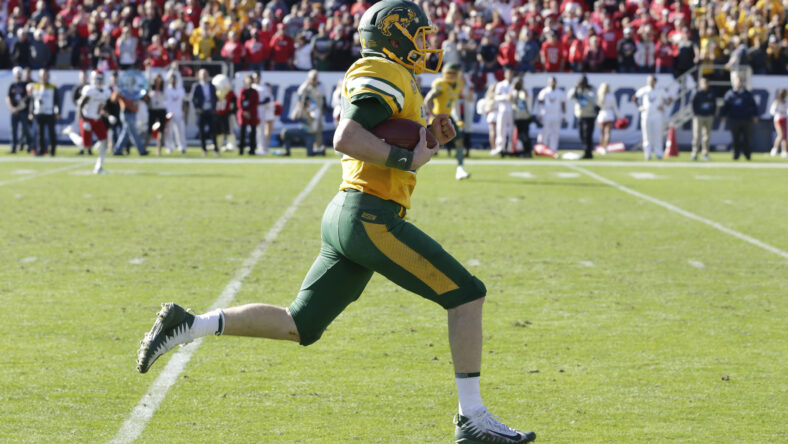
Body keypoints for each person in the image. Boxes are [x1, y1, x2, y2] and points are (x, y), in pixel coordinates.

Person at [136, 1, 536, 443]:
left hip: (351, 212)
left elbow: (396, 154)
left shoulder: (399, 79)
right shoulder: (384, 71)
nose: (426, 44)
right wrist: (408, 153)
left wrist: (428, 142)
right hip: (370, 216)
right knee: (467, 295)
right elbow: (346, 136)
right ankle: (472, 418)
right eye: (419, 35)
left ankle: (189, 323)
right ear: (394, 36)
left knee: (300, 324)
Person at [424, 63, 470, 179]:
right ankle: (412, 169)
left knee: (459, 142)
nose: (450, 76)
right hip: (438, 117)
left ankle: (460, 169)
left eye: (453, 73)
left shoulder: (458, 84)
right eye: (448, 73)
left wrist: (457, 118)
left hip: (448, 116)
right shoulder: (441, 84)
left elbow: (453, 103)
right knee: (428, 146)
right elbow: (428, 99)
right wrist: (434, 115)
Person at [78, 71, 112, 174]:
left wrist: (108, 115)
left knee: (104, 141)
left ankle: (99, 167)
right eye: (97, 79)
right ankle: (70, 133)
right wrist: (84, 120)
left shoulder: (106, 91)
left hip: (97, 119)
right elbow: (80, 106)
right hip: (87, 118)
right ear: (93, 79)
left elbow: (102, 108)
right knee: (85, 146)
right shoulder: (90, 90)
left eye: (101, 79)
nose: (99, 81)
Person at [719, 75, 758, 161]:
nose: (739, 83)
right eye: (737, 81)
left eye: (740, 81)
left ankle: (747, 155)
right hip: (734, 119)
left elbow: (753, 106)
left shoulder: (747, 94)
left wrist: (755, 115)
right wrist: (723, 115)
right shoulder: (730, 94)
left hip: (746, 119)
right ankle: (736, 154)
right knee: (735, 138)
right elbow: (726, 106)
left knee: (747, 138)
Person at [633, 75, 672, 160]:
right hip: (646, 115)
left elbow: (670, 99)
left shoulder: (660, 90)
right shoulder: (644, 90)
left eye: (651, 81)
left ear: (655, 82)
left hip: (657, 115)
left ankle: (659, 153)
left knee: (658, 135)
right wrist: (640, 107)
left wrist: (664, 107)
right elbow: (634, 98)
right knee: (646, 136)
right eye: (649, 80)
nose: (650, 82)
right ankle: (648, 154)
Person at [111, 78, 148, 157]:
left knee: (125, 133)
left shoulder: (135, 91)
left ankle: (117, 150)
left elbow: (143, 98)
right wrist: (118, 92)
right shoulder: (123, 90)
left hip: (133, 113)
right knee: (133, 133)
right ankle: (142, 150)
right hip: (126, 113)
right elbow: (113, 99)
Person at [30, 68, 60, 156]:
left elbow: (57, 101)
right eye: (42, 75)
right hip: (39, 112)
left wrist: (57, 112)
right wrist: (31, 112)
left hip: (49, 112)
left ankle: (53, 150)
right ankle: (41, 150)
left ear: (48, 76)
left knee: (51, 133)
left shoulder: (52, 87)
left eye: (45, 75)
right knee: (40, 134)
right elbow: (32, 101)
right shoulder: (35, 86)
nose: (43, 77)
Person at [296, 70, 327, 152]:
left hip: (318, 110)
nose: (314, 80)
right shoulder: (305, 86)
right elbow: (300, 98)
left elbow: (323, 97)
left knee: (319, 129)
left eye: (316, 78)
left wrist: (324, 108)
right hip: (308, 111)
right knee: (309, 129)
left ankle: (318, 147)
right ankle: (308, 147)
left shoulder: (321, 85)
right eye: (313, 78)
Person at [568, 76, 597, 159]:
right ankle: (586, 150)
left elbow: (592, 98)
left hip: (590, 115)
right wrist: (576, 88)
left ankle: (588, 153)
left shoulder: (591, 89)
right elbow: (570, 96)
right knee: (581, 134)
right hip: (580, 115)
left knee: (587, 135)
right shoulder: (577, 89)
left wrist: (584, 92)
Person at [191, 69, 219, 156]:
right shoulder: (197, 86)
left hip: (210, 111)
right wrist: (197, 108)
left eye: (205, 74)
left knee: (213, 131)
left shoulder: (212, 86)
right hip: (201, 112)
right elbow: (193, 99)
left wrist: (214, 107)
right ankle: (204, 149)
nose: (204, 76)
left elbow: (215, 97)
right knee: (202, 132)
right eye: (202, 74)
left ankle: (216, 149)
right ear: (199, 76)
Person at [536, 76, 566, 155]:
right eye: (550, 81)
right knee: (545, 132)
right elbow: (540, 104)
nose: (552, 83)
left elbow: (563, 105)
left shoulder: (560, 92)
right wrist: (540, 114)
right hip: (547, 115)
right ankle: (544, 149)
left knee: (555, 133)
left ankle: (553, 150)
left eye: (553, 81)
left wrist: (563, 116)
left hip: (556, 115)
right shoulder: (544, 92)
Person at [6, 66, 32, 154]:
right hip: (14, 111)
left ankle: (29, 147)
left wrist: (20, 106)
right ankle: (13, 147)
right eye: (16, 74)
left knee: (25, 130)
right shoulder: (12, 85)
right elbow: (8, 97)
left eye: (19, 74)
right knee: (13, 130)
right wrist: (12, 108)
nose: (18, 75)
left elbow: (28, 97)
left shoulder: (25, 85)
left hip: (23, 111)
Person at [491, 68, 516, 157]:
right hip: (502, 109)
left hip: (513, 110)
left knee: (513, 130)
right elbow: (496, 97)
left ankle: (511, 148)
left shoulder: (515, 85)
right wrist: (505, 97)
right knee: (501, 129)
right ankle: (500, 148)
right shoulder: (500, 85)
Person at [690, 77, 716, 161]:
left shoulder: (711, 92)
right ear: (700, 84)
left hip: (708, 116)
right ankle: (694, 153)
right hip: (699, 116)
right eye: (704, 83)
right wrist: (695, 114)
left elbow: (714, 104)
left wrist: (712, 113)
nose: (705, 85)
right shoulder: (697, 93)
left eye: (706, 83)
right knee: (697, 136)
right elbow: (692, 104)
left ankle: (705, 153)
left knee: (707, 136)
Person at [252, 72, 275, 155]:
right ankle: (255, 146)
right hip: (253, 110)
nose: (256, 79)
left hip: (261, 110)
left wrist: (259, 103)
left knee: (261, 129)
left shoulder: (263, 87)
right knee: (254, 130)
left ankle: (262, 146)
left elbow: (268, 99)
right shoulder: (252, 87)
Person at [144, 75, 167, 156]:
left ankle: (158, 150)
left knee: (161, 131)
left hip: (161, 110)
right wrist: (148, 68)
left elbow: (167, 79)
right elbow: (147, 78)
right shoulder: (151, 90)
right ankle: (144, 148)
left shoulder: (163, 89)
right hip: (153, 111)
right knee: (150, 130)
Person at [164, 73, 187, 154]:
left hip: (179, 112)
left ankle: (182, 146)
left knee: (180, 131)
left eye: (174, 79)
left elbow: (184, 102)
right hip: (169, 113)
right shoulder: (167, 90)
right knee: (169, 131)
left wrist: (184, 112)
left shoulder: (181, 90)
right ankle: (169, 147)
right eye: (172, 79)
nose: (173, 81)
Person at [236, 74, 259, 155]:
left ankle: (252, 150)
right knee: (242, 132)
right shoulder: (242, 91)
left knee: (253, 132)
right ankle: (241, 149)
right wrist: (244, 111)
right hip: (243, 114)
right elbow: (239, 103)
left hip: (252, 114)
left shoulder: (254, 92)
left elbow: (255, 103)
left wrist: (249, 112)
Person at [511, 75, 533, 157]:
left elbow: (526, 96)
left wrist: (522, 87)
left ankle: (528, 152)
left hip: (525, 116)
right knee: (520, 136)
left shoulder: (526, 91)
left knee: (525, 135)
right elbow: (509, 98)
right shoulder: (514, 92)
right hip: (517, 116)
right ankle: (523, 151)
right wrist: (513, 87)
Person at [596, 82, 619, 155]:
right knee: (607, 133)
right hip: (609, 114)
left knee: (602, 133)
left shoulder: (599, 96)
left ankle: (602, 147)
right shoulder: (611, 96)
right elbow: (615, 107)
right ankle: (605, 148)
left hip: (602, 114)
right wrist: (619, 116)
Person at [769, 89, 788, 158]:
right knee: (780, 135)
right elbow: (772, 111)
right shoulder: (777, 102)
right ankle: (774, 149)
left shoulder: (786, 102)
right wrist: (779, 112)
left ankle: (784, 151)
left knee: (785, 136)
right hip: (778, 119)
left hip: (784, 119)